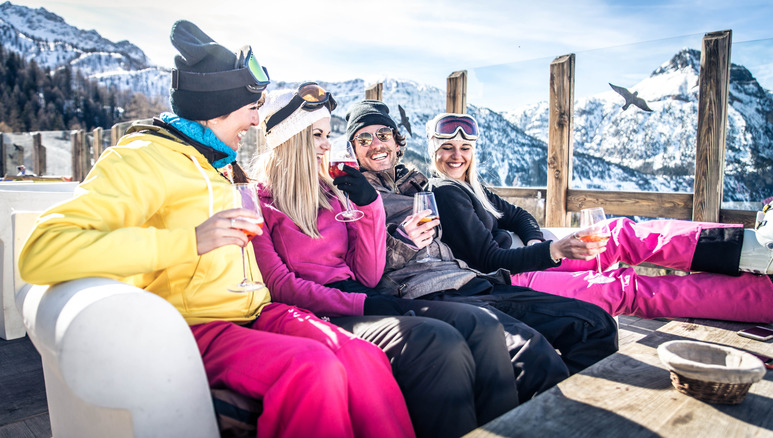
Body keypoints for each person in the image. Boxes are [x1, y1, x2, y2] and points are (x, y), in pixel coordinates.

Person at [17, 20, 415, 438]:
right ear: (218, 108)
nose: (258, 120)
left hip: (258, 313)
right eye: (252, 108)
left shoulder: (220, 164)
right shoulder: (144, 159)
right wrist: (188, 242)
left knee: (362, 356)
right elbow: (43, 249)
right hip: (196, 325)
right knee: (312, 369)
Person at [250, 86, 523, 438]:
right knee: (438, 341)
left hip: (360, 297)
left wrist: (369, 207)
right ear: (291, 139)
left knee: (482, 326)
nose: (325, 144)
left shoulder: (334, 196)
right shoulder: (259, 200)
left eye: (327, 135)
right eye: (317, 135)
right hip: (322, 309)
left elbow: (368, 272)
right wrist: (360, 301)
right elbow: (281, 285)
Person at [345, 100, 619, 389]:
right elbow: (362, 266)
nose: (376, 144)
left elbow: (513, 216)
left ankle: (572, 415)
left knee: (595, 324)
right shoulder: (353, 196)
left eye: (383, 135)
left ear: (397, 142)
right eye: (364, 138)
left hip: (474, 282)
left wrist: (533, 239)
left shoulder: (417, 186)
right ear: (352, 149)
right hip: (429, 294)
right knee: (533, 355)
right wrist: (401, 239)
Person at [424, 112, 773, 324]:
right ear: (433, 151)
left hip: (532, 257)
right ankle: (766, 296)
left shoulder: (471, 186)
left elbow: (518, 215)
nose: (457, 156)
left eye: (465, 148)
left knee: (617, 234)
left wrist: (537, 241)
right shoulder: (445, 193)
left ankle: (759, 251)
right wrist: (551, 251)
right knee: (621, 288)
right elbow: (488, 260)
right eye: (447, 149)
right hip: (512, 279)